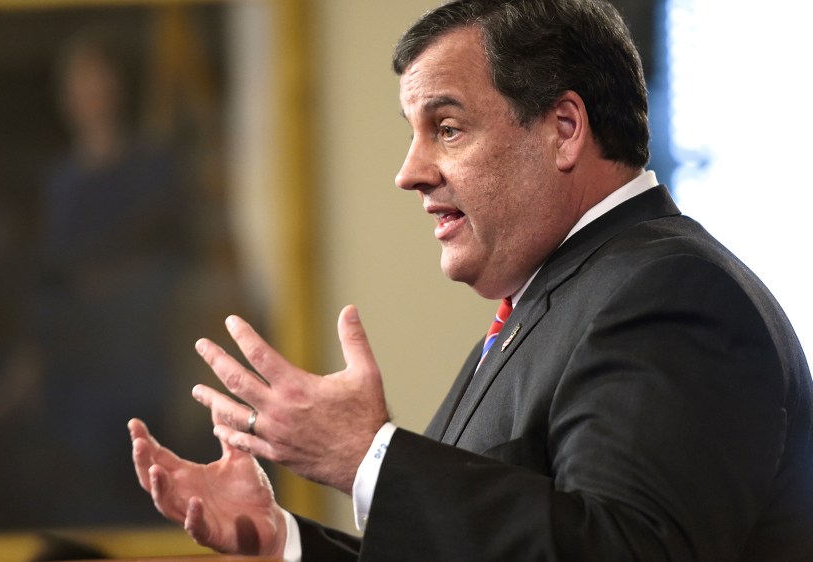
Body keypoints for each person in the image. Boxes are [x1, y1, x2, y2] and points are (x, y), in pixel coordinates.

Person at [128, 0, 813, 559]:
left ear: (565, 127)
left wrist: (367, 457)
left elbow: (621, 552)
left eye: (447, 128)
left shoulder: (670, 296)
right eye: (412, 132)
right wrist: (285, 542)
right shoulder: (549, 306)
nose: (410, 171)